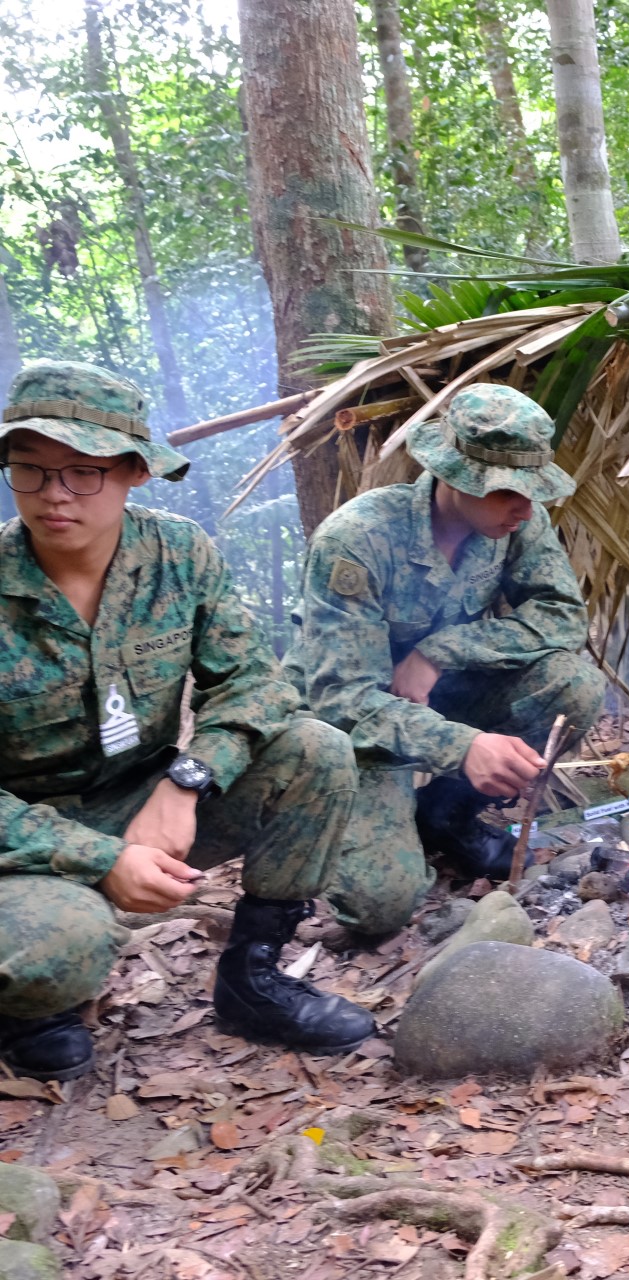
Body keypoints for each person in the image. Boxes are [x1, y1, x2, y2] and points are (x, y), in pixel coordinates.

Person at [0, 361, 373, 1079]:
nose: (53, 495)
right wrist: (100, 860)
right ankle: (30, 1009)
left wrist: (190, 777)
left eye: (83, 471)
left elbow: (256, 687)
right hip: (21, 839)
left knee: (314, 750)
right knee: (63, 945)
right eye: (30, 469)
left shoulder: (178, 554)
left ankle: (253, 981)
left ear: (136, 471)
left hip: (144, 799)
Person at [284, 384, 605, 946]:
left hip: (445, 697)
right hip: (355, 730)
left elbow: (562, 619)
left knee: (573, 688)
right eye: (509, 490)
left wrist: (439, 651)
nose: (526, 507)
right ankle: (344, 822)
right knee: (379, 906)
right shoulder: (357, 539)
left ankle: (445, 815)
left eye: (533, 490)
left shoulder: (515, 522)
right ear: (455, 476)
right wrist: (461, 747)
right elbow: (341, 697)